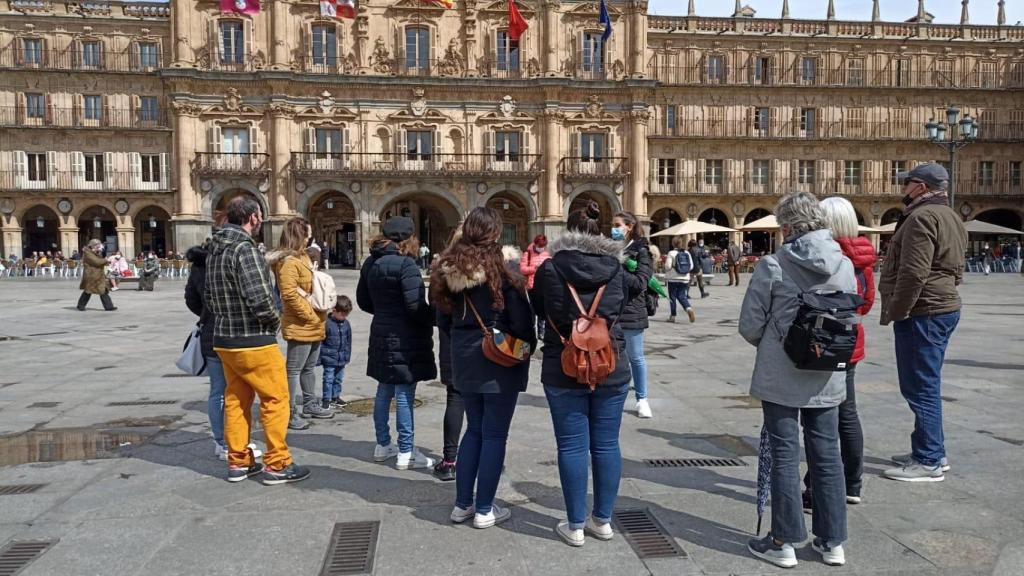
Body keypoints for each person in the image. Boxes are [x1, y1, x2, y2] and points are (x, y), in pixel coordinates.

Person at [740, 192, 856, 569]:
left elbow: (750, 325)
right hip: (826, 372)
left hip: (781, 375)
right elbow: (850, 317)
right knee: (826, 455)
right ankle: (832, 540)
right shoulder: (844, 264)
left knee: (785, 456)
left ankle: (783, 542)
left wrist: (776, 345)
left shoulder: (773, 264)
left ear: (787, 227)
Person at [530, 204, 632, 547]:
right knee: (606, 445)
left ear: (567, 233)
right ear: (599, 233)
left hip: (564, 366)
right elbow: (626, 303)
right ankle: (602, 520)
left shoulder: (550, 269)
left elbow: (537, 306)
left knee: (572, 446)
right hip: (610, 365)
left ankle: (574, 525)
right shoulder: (617, 269)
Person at [433, 207, 535, 529]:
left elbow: (442, 321)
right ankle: (485, 509)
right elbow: (523, 324)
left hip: (464, 360)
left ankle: (462, 504)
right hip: (497, 362)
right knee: (494, 435)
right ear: (495, 234)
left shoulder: (447, 274)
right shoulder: (504, 274)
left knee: (474, 431)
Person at [206, 196, 310, 485]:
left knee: (236, 400)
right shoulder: (244, 249)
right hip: (254, 340)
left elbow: (209, 297)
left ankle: (238, 460)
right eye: (260, 218)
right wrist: (274, 320)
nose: (260, 222)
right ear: (253, 218)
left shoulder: (214, 249)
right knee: (276, 399)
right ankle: (277, 462)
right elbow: (260, 298)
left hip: (224, 339)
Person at [880, 163, 967, 482]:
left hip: (923, 310)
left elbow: (914, 272)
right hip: (942, 305)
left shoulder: (920, 217)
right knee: (925, 382)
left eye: (908, 183)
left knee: (920, 385)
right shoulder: (951, 215)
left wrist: (898, 310)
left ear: (922, 187)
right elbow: (957, 265)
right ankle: (930, 450)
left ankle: (929, 459)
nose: (903, 188)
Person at [801, 197, 877, 509]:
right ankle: (853, 483)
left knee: (820, 416)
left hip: (821, 343)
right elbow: (867, 303)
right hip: (851, 342)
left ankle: (818, 485)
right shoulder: (865, 258)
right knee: (847, 414)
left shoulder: (823, 256)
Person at [357, 216, 437, 470]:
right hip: (406, 336)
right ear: (409, 238)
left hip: (381, 332)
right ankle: (406, 451)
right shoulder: (407, 265)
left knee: (384, 389)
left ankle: (382, 444)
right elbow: (415, 306)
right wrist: (433, 318)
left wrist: (384, 312)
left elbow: (363, 301)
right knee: (404, 393)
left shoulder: (371, 262)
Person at [184, 243, 262, 462]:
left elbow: (191, 298)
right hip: (236, 332)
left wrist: (208, 314)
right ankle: (236, 442)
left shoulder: (200, 264)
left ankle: (222, 442)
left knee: (218, 390)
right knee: (239, 391)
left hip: (211, 332)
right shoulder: (234, 259)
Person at [269, 217, 333, 431]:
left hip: (315, 322)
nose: (310, 236)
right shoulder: (288, 262)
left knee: (309, 367)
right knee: (294, 370)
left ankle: (310, 403)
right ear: (299, 235)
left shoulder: (303, 257)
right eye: (307, 233)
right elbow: (289, 295)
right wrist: (310, 316)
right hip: (301, 323)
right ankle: (289, 412)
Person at [612, 212, 654, 419]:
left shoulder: (641, 250)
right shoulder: (613, 249)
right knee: (615, 357)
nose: (614, 229)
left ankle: (642, 399)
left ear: (629, 226)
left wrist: (616, 268)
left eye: (617, 225)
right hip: (611, 311)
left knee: (635, 357)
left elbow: (641, 282)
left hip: (632, 309)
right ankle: (615, 395)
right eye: (613, 225)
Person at [319, 295, 352, 409]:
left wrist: (347, 356)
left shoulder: (346, 324)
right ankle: (326, 399)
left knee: (338, 379)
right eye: (342, 314)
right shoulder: (327, 324)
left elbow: (348, 341)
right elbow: (320, 342)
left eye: (346, 315)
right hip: (329, 358)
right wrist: (320, 358)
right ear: (334, 311)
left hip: (341, 358)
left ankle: (335, 397)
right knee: (328, 379)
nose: (344, 317)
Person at [520, 234, 551, 337]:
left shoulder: (547, 254)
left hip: (543, 286)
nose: (541, 248)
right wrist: (534, 268)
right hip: (531, 286)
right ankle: (532, 331)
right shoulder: (528, 253)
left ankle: (541, 332)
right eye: (539, 246)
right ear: (535, 244)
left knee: (542, 310)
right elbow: (522, 269)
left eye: (543, 247)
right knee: (532, 310)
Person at [77, 239, 116, 311]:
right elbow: (96, 262)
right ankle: (80, 305)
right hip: (91, 275)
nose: (98, 248)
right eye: (97, 246)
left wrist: (106, 261)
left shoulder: (95, 252)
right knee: (88, 291)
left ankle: (109, 306)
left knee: (103, 290)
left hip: (98, 275)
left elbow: (100, 261)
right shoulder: (88, 253)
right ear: (92, 246)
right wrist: (105, 260)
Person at [665, 237, 696, 323]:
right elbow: (691, 266)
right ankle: (688, 308)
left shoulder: (671, 253)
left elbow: (667, 266)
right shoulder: (687, 252)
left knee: (672, 297)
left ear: (673, 244)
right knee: (682, 296)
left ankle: (673, 316)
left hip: (673, 279)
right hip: (685, 278)